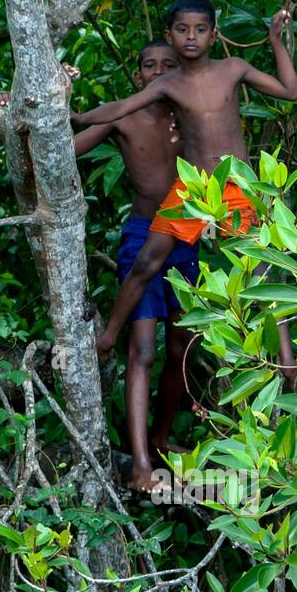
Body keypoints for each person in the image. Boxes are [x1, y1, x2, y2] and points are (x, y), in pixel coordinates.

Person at [71, 0, 297, 382]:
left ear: (214, 34)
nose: (191, 37)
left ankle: (287, 362)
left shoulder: (233, 68)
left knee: (259, 270)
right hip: (193, 187)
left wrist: (275, 40)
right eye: (182, 30)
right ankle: (107, 338)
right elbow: (121, 108)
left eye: (199, 29)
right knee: (147, 260)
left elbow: (291, 92)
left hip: (237, 185)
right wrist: (75, 116)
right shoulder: (169, 84)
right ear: (170, 35)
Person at [74, 40, 198, 491]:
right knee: (142, 349)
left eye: (169, 65)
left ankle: (162, 439)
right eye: (150, 65)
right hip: (143, 236)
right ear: (138, 76)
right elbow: (66, 143)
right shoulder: (123, 116)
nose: (160, 72)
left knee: (182, 348)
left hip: (185, 238)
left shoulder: (189, 114)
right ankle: (142, 465)